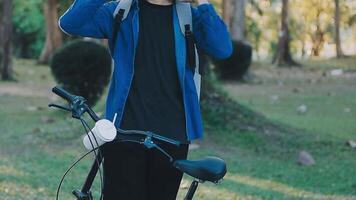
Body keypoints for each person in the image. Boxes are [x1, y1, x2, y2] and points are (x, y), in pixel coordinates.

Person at [59, 0, 232, 199]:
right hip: (124, 132)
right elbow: (70, 23)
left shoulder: (190, 16)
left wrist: (203, 2)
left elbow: (222, 49)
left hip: (172, 137)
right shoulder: (120, 13)